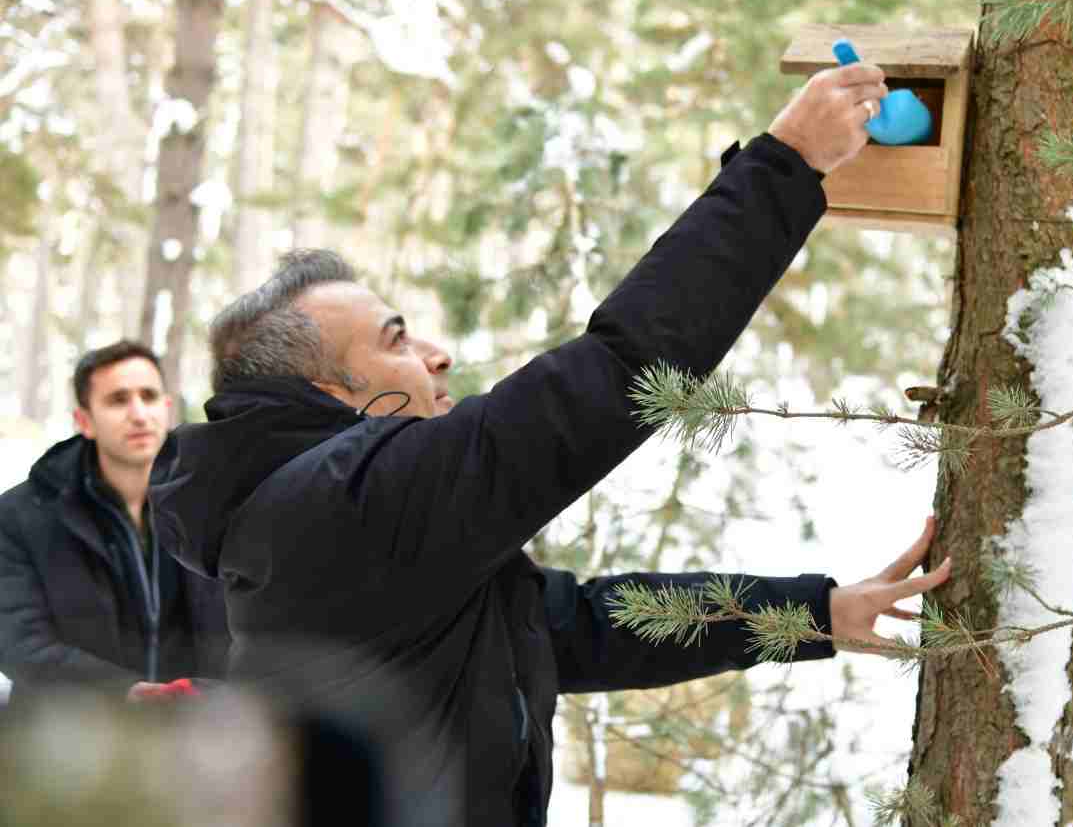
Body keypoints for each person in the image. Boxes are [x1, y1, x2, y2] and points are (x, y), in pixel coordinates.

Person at [150, 63, 951, 825]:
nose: (434, 353)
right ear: (332, 394)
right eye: (394, 341)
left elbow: (571, 626)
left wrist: (813, 614)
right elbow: (618, 370)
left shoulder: (342, 525)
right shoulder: (347, 505)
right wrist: (785, 165)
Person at [0, 342, 229, 706]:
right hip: (66, 741)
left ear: (167, 409)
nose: (139, 414)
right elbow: (18, 643)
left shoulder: (213, 504)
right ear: (84, 421)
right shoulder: (18, 515)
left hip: (190, 735)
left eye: (149, 396)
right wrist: (123, 692)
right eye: (118, 400)